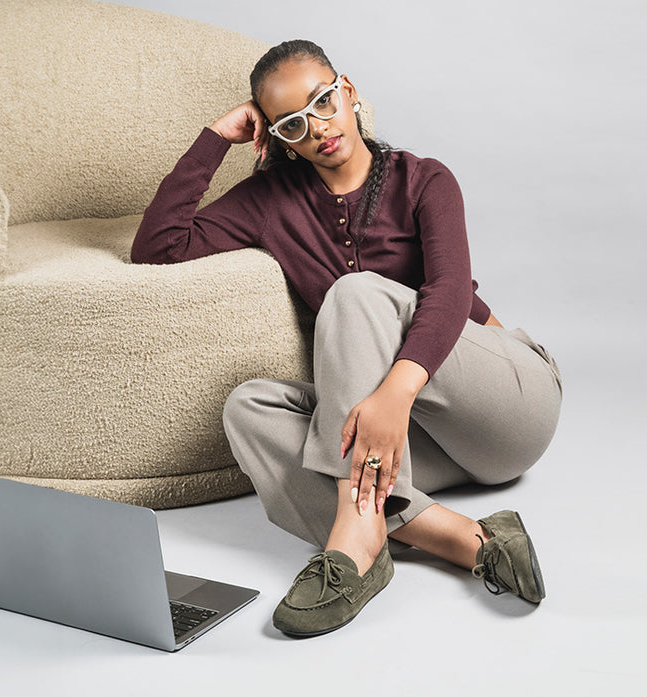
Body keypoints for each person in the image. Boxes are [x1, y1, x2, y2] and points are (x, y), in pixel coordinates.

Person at [131, 40, 563, 638]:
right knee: (248, 409)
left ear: (349, 92)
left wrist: (394, 395)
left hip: (506, 404)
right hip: (417, 444)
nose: (317, 127)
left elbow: (449, 294)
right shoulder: (269, 202)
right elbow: (158, 248)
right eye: (292, 123)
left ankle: (358, 540)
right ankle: (469, 541)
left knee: (355, 291)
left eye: (324, 101)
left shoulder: (424, 179)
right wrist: (215, 138)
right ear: (279, 138)